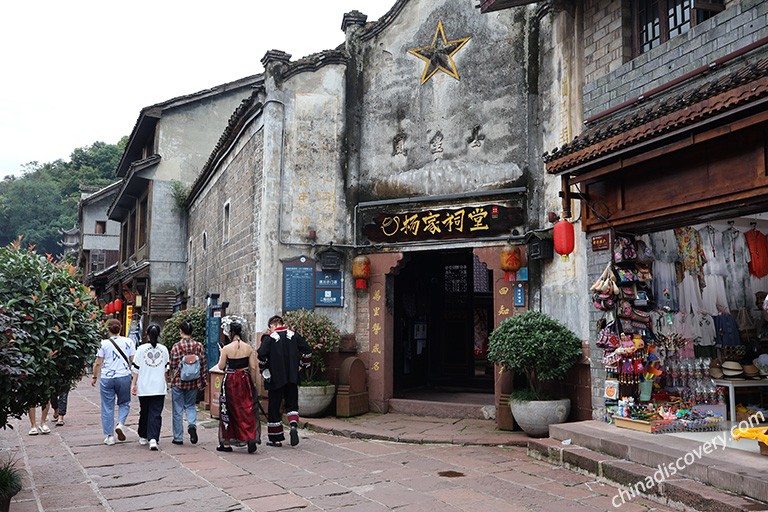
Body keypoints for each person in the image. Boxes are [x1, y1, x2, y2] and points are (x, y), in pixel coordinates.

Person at [257, 315, 312, 447]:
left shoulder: (269, 337)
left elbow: (261, 355)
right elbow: (307, 351)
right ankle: (293, 426)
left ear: (272, 325)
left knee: (274, 407)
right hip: (292, 377)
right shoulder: (293, 335)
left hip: (276, 379)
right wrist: (301, 366)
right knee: (292, 404)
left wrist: (264, 370)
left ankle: (275, 439)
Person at [215, 321, 260, 453]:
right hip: (245, 379)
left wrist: (221, 353)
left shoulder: (227, 348)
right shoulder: (248, 347)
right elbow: (253, 366)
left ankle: (227, 442)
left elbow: (221, 366)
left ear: (230, 333)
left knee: (228, 409)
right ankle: (250, 437)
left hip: (230, 380)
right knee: (247, 408)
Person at [92, 318, 135, 446]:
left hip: (107, 377)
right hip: (124, 376)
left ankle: (109, 436)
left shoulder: (103, 343)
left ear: (108, 330)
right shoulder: (129, 341)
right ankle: (121, 423)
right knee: (124, 402)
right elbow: (133, 360)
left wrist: (94, 376)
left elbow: (98, 362)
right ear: (121, 328)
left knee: (107, 406)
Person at [131, 324, 169, 451]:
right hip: (158, 386)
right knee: (156, 413)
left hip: (144, 386)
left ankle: (143, 436)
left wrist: (133, 384)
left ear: (147, 334)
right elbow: (165, 370)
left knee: (145, 411)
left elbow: (136, 369)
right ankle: (153, 438)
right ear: (158, 334)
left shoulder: (141, 349)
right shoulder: (164, 349)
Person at [169, 320, 208, 445]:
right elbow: (203, 365)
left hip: (179, 382)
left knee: (177, 409)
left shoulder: (176, 347)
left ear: (181, 331)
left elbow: (173, 364)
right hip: (193, 382)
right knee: (190, 406)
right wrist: (203, 381)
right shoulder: (198, 346)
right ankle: (191, 425)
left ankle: (178, 437)